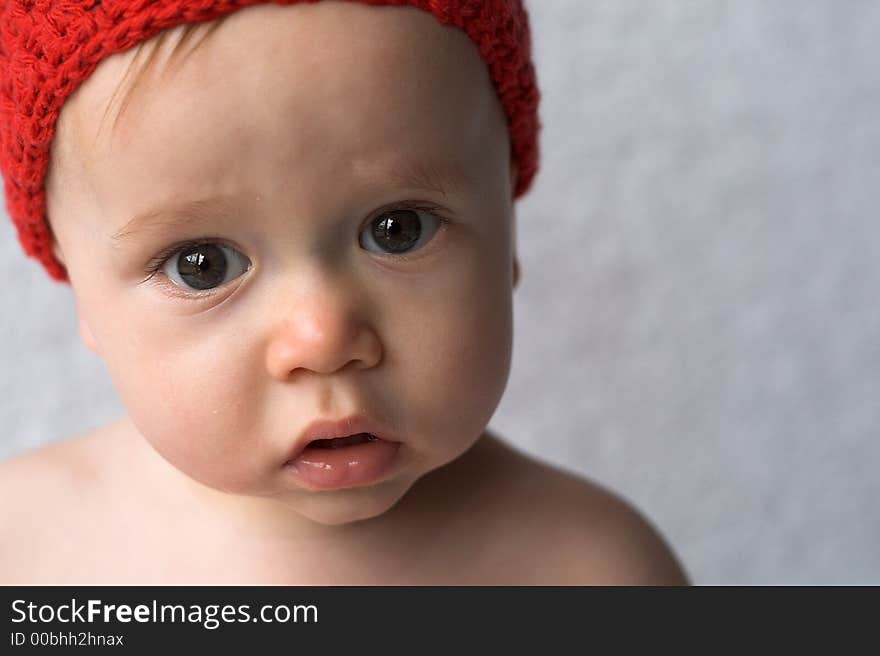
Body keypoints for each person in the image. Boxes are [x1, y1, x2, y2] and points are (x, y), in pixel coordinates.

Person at [0, 0, 689, 584]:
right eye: (201, 264)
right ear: (77, 284)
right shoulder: (24, 550)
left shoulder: (591, 572)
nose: (323, 338)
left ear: (506, 223)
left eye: (399, 230)